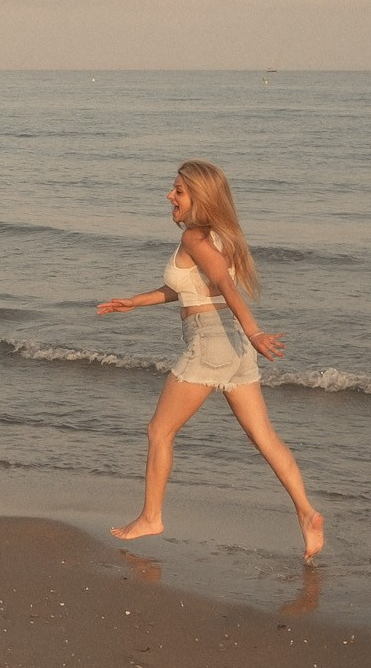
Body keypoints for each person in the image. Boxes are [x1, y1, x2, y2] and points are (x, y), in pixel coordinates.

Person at [97, 160, 325, 561]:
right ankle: (307, 514)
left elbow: (223, 284)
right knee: (266, 438)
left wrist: (255, 331)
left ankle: (151, 517)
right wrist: (136, 301)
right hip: (233, 348)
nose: (170, 196)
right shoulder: (220, 236)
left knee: (159, 431)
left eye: (179, 191)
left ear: (199, 198)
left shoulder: (195, 239)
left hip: (211, 343)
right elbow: (189, 289)